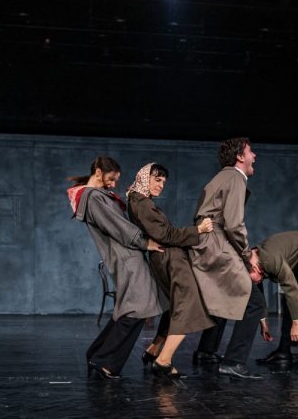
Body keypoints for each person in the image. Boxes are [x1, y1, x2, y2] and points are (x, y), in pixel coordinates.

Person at [67, 156, 164, 380]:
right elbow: (117, 226)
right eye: (110, 179)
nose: (113, 184)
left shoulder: (98, 195)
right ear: (98, 172)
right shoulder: (93, 197)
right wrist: (144, 242)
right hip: (126, 256)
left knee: (130, 308)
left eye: (115, 181)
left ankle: (96, 354)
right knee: (138, 307)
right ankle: (104, 361)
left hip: (127, 255)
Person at [126, 162, 215, 378]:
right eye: (157, 180)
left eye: (163, 182)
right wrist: (198, 230)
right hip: (170, 259)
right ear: (145, 178)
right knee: (187, 306)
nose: (161, 185)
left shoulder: (140, 200)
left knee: (176, 306)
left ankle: (154, 350)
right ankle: (163, 361)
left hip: (165, 259)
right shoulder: (142, 203)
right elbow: (166, 235)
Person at [188, 137, 266, 379]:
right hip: (218, 243)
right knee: (255, 302)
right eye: (251, 152)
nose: (255, 156)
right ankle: (234, 361)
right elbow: (234, 225)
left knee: (223, 294)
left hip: (207, 243)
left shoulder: (220, 177)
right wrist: (248, 256)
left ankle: (206, 351)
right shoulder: (235, 177)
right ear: (240, 157)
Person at [248, 230, 298, 364]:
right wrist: (263, 321)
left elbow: (291, 288)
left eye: (252, 280)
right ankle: (284, 351)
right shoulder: (253, 264)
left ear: (254, 267)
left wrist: (296, 323)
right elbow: (258, 293)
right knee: (288, 302)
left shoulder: (269, 260)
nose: (254, 282)